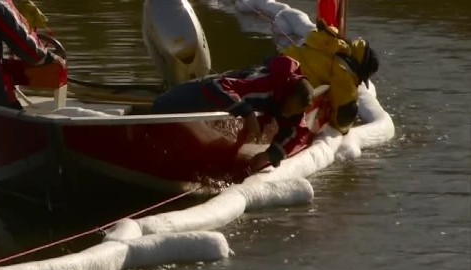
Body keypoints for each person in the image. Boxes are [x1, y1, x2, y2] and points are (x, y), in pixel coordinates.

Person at [151, 55, 315, 175]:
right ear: (287, 94)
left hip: (215, 102)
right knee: (159, 106)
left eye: (295, 111)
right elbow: (216, 86)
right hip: (198, 94)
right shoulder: (264, 87)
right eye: (290, 107)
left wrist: (268, 155)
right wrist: (248, 114)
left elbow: (297, 132)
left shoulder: (291, 105)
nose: (289, 113)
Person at [282, 20, 379, 134]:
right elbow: (344, 116)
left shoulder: (329, 41)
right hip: (293, 93)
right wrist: (342, 129)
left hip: (278, 64)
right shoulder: (345, 73)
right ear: (362, 70)